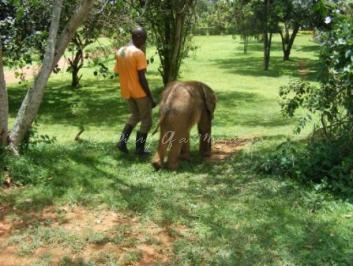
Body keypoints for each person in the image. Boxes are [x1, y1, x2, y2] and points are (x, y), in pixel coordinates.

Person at [114, 27, 156, 156]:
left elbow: (118, 71)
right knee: (146, 120)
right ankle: (139, 149)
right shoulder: (138, 53)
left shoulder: (120, 51)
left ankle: (122, 142)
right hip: (139, 93)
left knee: (135, 116)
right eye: (144, 38)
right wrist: (150, 97)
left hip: (127, 91)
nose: (144, 41)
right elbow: (142, 78)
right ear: (137, 36)